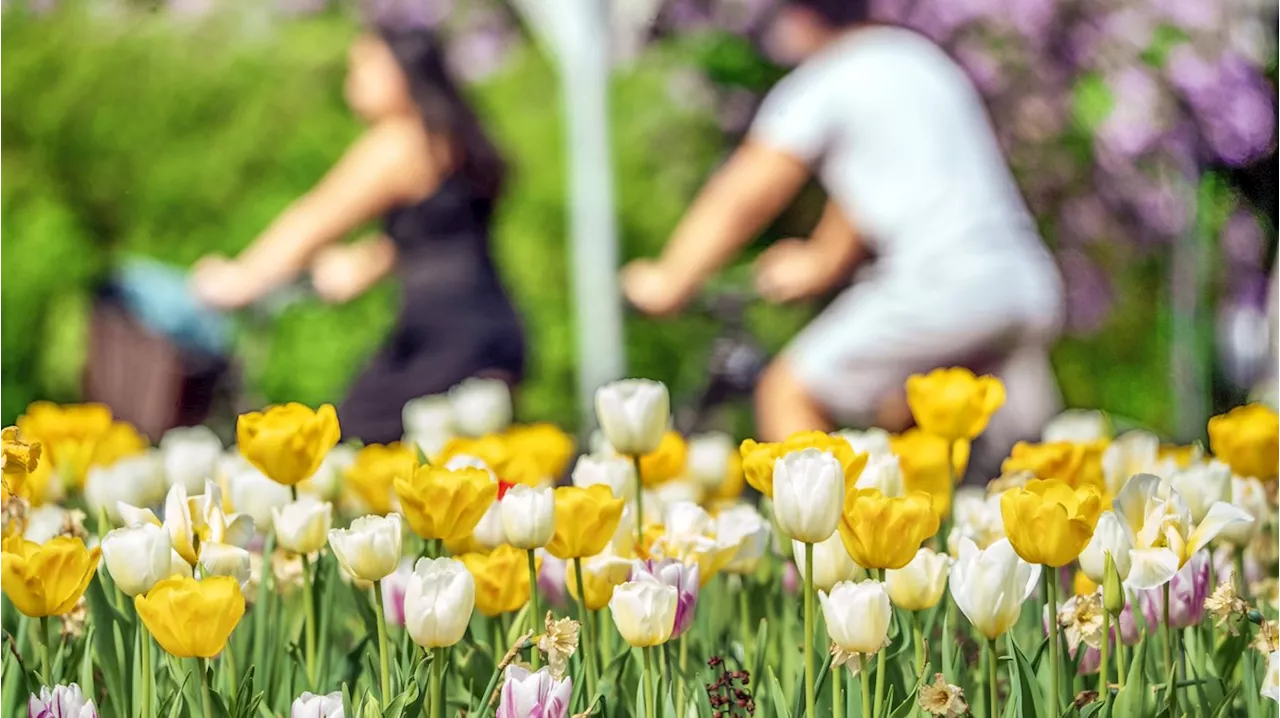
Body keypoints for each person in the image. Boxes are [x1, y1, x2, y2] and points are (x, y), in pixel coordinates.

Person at [622, 0, 1065, 470]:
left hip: (943, 286)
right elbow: (886, 179)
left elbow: (747, 191)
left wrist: (670, 280)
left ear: (799, 17)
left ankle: (844, 542)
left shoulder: (829, 78)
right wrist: (820, 260)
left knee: (787, 390)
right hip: (1022, 284)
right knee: (908, 426)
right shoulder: (919, 60)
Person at [192, 27, 524, 444]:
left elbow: (317, 216)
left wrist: (242, 278)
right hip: (492, 328)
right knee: (470, 464)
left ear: (404, 73)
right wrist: (368, 262)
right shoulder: (448, 138)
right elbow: (438, 235)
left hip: (439, 340)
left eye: (366, 65)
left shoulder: (400, 141)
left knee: (351, 445)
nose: (353, 77)